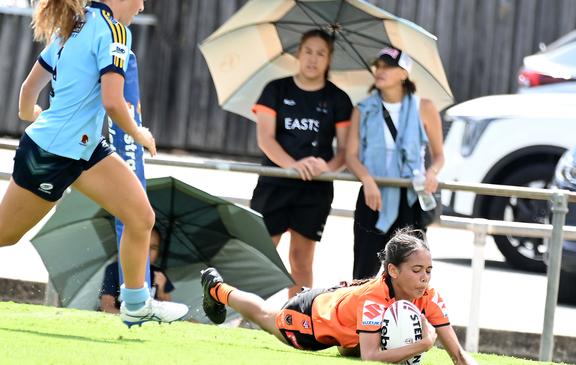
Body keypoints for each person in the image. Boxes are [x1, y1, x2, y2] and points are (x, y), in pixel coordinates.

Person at [0, 0, 187, 326]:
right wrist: (138, 133)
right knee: (4, 235)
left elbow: (28, 90)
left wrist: (30, 115)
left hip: (83, 150)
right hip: (52, 154)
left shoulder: (73, 23)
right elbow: (113, 102)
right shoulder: (114, 31)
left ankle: (136, 304)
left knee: (141, 217)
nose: (142, 6)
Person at [200, 228, 477, 364]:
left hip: (342, 305)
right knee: (266, 317)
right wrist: (425, 343)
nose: (424, 277)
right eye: (416, 270)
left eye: (428, 270)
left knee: (352, 347)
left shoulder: (428, 295)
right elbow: (371, 356)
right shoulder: (374, 301)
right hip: (311, 316)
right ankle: (217, 289)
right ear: (392, 270)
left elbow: (460, 356)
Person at [250, 29, 352, 298]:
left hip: (314, 189)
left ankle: (297, 319)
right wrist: (293, 165)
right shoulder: (275, 90)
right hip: (275, 182)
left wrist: (327, 168)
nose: (313, 59)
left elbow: (344, 150)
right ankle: (243, 314)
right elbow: (266, 139)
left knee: (301, 260)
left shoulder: (338, 99)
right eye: (308, 51)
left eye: (321, 53)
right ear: (298, 53)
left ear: (329, 59)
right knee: (260, 253)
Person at [345, 47, 445, 280]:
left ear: (403, 73)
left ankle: (407, 317)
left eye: (388, 66)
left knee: (410, 273)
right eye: (378, 66)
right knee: (363, 272)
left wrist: (432, 172)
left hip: (410, 197)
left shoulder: (425, 108)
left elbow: (439, 155)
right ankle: (362, 317)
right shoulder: (363, 109)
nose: (380, 71)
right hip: (373, 195)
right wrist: (367, 180)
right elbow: (350, 156)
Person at [100, 227, 175, 314]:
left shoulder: (158, 273)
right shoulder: (115, 269)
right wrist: (131, 318)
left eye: (153, 248)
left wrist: (161, 291)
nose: (148, 251)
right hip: (120, 319)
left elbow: (168, 310)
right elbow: (106, 306)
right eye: (143, 245)